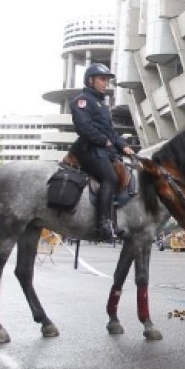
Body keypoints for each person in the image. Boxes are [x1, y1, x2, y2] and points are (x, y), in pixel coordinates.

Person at [69, 63, 135, 240]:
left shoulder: (102, 104)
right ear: (91, 80)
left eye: (107, 80)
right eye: (102, 79)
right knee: (110, 178)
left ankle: (114, 221)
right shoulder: (82, 100)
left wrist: (123, 145)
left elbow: (111, 131)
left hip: (103, 150)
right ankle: (103, 224)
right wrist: (103, 140)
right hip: (88, 149)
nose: (106, 83)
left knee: (125, 176)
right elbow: (84, 127)